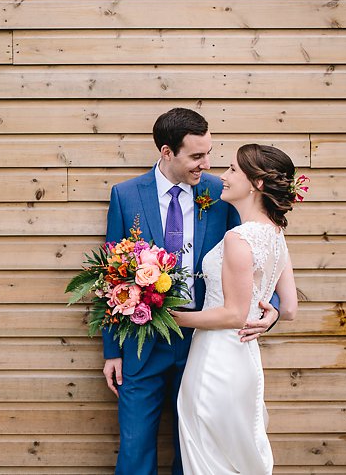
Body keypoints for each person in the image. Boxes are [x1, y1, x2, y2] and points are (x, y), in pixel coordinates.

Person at [102, 108, 279, 475]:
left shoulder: (220, 192)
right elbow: (112, 276)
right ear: (167, 153)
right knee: (134, 449)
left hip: (205, 341)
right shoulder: (126, 195)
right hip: (141, 341)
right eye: (197, 156)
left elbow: (256, 249)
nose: (206, 163)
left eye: (209, 153)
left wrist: (269, 308)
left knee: (195, 450)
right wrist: (112, 350)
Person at [170, 144, 299, 474]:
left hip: (216, 361)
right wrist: (266, 315)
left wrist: (172, 318)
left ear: (256, 183)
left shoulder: (238, 238)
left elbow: (233, 314)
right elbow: (289, 308)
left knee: (208, 457)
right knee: (236, 455)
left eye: (231, 170)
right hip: (246, 362)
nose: (223, 177)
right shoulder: (275, 234)